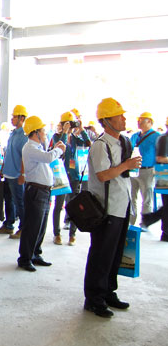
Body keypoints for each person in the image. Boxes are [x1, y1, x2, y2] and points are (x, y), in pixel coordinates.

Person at [83, 98, 141, 318]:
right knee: (101, 255)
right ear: (107, 120)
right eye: (119, 115)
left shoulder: (123, 142)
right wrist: (126, 165)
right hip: (106, 209)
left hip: (121, 206)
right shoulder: (101, 145)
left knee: (115, 254)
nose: (124, 118)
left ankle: (108, 292)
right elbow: (103, 175)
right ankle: (94, 298)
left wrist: (129, 166)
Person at [16, 116, 65, 272]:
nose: (45, 133)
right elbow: (48, 158)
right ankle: (25, 258)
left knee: (41, 226)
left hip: (43, 191)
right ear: (35, 132)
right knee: (32, 226)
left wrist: (54, 149)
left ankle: (35, 253)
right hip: (36, 192)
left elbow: (46, 157)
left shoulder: (37, 147)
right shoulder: (30, 148)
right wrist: (59, 150)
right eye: (43, 130)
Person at [51, 112, 91, 246]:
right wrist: (64, 132)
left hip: (74, 175)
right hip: (61, 175)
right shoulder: (56, 136)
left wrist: (82, 129)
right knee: (58, 205)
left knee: (74, 205)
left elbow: (88, 143)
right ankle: (57, 234)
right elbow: (60, 147)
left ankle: (72, 234)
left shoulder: (75, 138)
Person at [0, 105, 28, 239]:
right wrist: (3, 168)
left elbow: (24, 157)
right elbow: (8, 152)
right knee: (8, 201)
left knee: (19, 202)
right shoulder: (13, 133)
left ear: (22, 118)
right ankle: (8, 225)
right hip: (8, 173)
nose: (12, 119)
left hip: (16, 175)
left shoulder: (24, 136)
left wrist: (22, 174)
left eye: (14, 117)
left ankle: (23, 228)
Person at [129, 112, 161, 226]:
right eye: (138, 120)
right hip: (133, 170)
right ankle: (131, 222)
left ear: (150, 122)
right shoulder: (135, 136)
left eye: (142, 120)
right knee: (131, 197)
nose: (139, 122)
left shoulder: (157, 137)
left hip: (148, 171)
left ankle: (145, 222)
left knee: (146, 197)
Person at [141, 115, 168, 241]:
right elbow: (160, 158)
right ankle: (164, 231)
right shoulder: (164, 139)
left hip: (164, 174)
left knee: (167, 206)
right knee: (167, 205)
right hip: (165, 175)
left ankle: (150, 219)